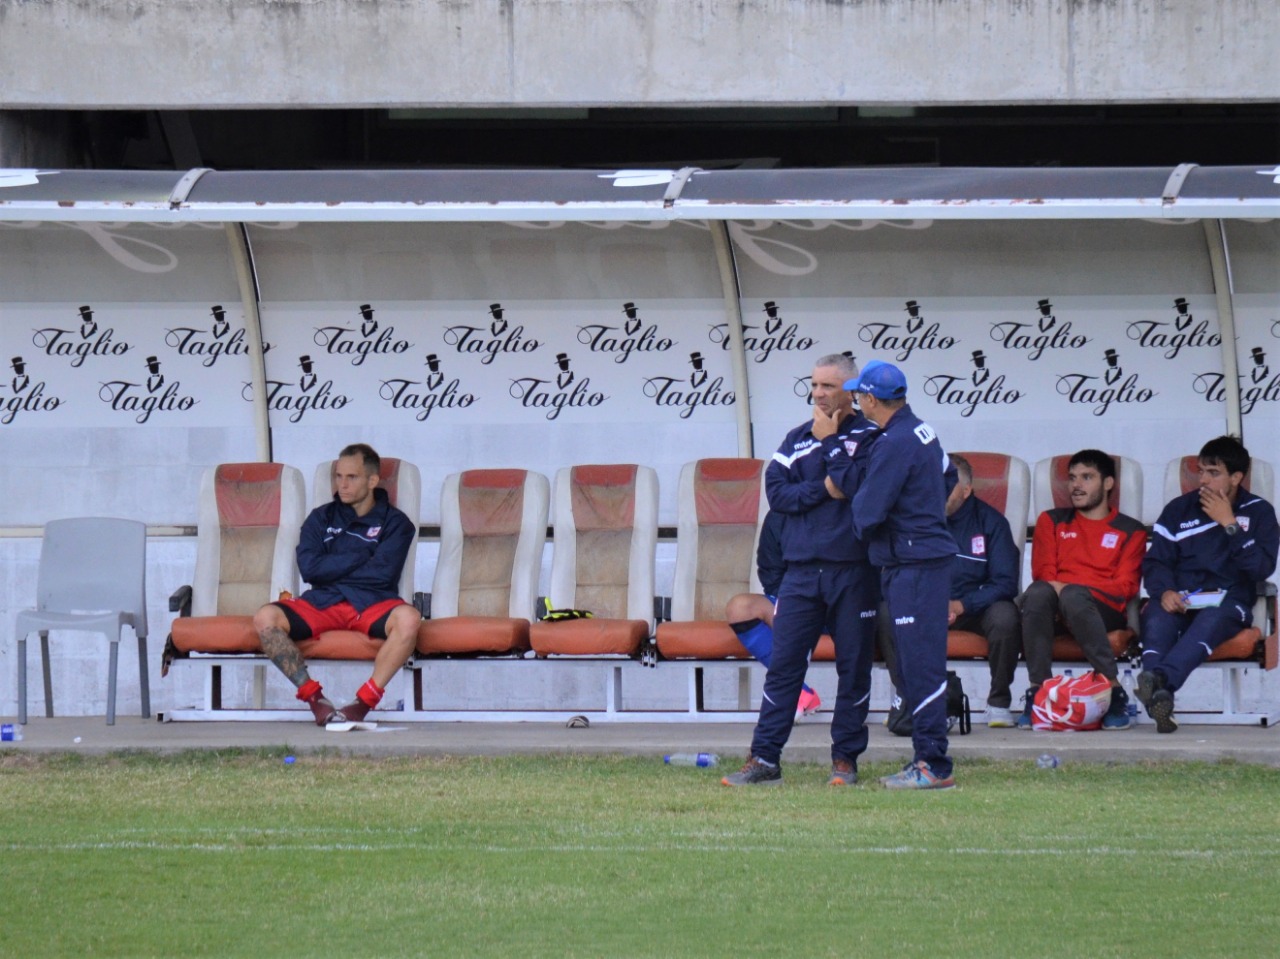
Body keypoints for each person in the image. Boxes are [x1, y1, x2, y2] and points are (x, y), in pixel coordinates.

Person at [721, 353, 879, 787]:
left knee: (854, 669)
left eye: (828, 386)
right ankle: (764, 759)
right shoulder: (795, 439)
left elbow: (857, 487)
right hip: (802, 574)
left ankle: (845, 760)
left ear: (852, 391)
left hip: (854, 572)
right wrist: (824, 487)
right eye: (814, 385)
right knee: (785, 667)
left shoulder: (870, 437)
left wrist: (830, 448)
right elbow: (778, 496)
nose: (818, 394)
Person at [832, 360, 958, 789]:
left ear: (870, 399)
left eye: (858, 395)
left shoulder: (894, 442)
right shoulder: (921, 429)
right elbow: (949, 476)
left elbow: (867, 513)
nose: (855, 402)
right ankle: (926, 759)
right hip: (921, 558)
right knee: (917, 661)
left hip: (913, 564)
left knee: (920, 664)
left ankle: (933, 764)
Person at [252, 443, 422, 725]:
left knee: (410, 619)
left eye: (351, 477)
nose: (342, 485)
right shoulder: (320, 517)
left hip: (372, 602)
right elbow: (309, 569)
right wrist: (362, 555)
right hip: (323, 601)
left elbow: (382, 575)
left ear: (372, 480)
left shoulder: (396, 522)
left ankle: (363, 702)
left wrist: (331, 565)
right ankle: (314, 698)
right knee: (265, 618)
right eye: (338, 476)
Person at [1138, 436, 1279, 733]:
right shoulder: (1178, 510)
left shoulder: (1259, 512)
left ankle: (1159, 682)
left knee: (1212, 619)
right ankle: (1159, 693)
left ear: (1236, 478)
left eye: (1213, 473)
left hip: (1229, 600)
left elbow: (1261, 568)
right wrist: (1164, 591)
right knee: (1157, 616)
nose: (1202, 480)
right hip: (1181, 597)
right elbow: (1156, 561)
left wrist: (1229, 524)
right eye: (1201, 471)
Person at [1016, 449, 1145, 730]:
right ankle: (1040, 692)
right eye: (1072, 478)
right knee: (1037, 593)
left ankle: (1112, 689)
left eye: (1087, 477)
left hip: (1103, 610)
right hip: (1054, 608)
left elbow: (1125, 587)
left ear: (1108, 483)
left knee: (1073, 595)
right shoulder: (1051, 521)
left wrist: (1072, 589)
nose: (1076, 485)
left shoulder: (1131, 530)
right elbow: (1044, 574)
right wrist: (1063, 591)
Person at [944, 454, 1022, 727]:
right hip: (927, 606)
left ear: (966, 490)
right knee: (888, 610)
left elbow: (1005, 582)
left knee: (1005, 615)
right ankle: (907, 700)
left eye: (947, 484)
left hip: (974, 610)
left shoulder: (992, 522)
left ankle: (998, 702)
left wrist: (961, 605)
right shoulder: (918, 518)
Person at [723, 510, 823, 719]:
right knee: (739, 608)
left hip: (842, 606)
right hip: (796, 605)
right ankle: (799, 692)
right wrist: (798, 602)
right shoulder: (780, 513)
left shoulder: (849, 506)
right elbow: (771, 574)